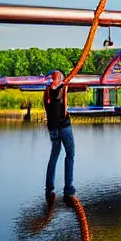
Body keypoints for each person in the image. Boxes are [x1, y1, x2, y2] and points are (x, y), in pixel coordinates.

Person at [44, 70, 75, 200]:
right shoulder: (62, 88)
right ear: (60, 78)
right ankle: (68, 188)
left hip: (53, 127)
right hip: (64, 126)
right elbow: (64, 107)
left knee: (54, 155)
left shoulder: (47, 91)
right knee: (70, 154)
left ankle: (49, 187)